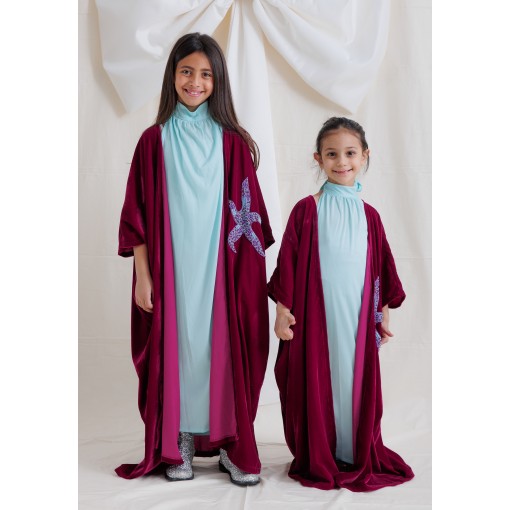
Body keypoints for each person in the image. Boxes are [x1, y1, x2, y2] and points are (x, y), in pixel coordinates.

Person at [116, 33, 274, 486]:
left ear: (218, 80)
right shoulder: (154, 141)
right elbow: (136, 215)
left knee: (221, 348)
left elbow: (250, 219)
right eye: (186, 71)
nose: (195, 82)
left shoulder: (232, 143)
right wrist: (142, 276)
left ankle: (228, 442)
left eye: (206, 74)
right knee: (180, 348)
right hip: (172, 269)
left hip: (221, 268)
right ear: (172, 75)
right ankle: (180, 439)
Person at [268, 117, 414, 491]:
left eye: (350, 153)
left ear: (364, 156)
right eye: (332, 154)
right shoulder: (307, 209)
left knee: (352, 378)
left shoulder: (370, 216)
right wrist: (283, 312)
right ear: (318, 158)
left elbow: (381, 271)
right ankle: (323, 448)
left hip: (356, 318)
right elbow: (289, 261)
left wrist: (381, 316)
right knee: (319, 376)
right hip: (316, 317)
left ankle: (351, 448)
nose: (341, 161)